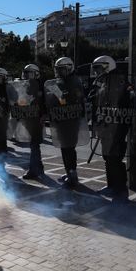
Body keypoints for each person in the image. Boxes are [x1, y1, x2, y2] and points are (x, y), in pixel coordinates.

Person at [89, 56, 135, 201]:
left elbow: (128, 102)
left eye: (99, 68)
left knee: (115, 157)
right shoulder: (102, 83)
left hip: (117, 126)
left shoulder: (121, 81)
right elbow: (98, 102)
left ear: (107, 66)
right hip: (105, 125)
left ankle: (121, 190)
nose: (96, 72)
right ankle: (111, 186)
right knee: (107, 156)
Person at [51, 57, 86, 188]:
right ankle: (69, 172)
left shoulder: (74, 82)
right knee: (64, 147)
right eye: (58, 70)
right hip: (62, 119)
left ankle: (73, 174)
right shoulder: (62, 81)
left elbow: (73, 99)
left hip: (71, 120)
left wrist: (60, 95)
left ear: (69, 68)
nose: (59, 72)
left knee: (69, 148)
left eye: (61, 69)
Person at [16, 64, 45, 180]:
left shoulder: (40, 86)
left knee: (34, 144)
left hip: (37, 119)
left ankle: (34, 170)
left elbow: (44, 102)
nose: (27, 76)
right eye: (26, 73)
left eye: (30, 73)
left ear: (36, 74)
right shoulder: (24, 86)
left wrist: (44, 114)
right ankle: (39, 168)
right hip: (29, 118)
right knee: (34, 145)